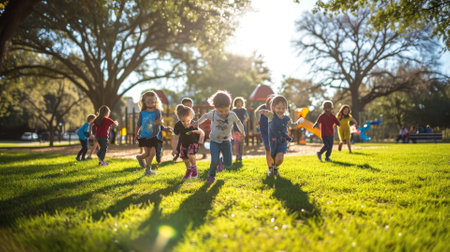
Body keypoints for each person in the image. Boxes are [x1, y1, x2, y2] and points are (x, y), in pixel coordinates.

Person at [195, 90, 245, 184]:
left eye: (226, 110)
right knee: (214, 160)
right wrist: (198, 122)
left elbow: (238, 122)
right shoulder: (213, 113)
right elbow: (205, 116)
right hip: (214, 141)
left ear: (230, 106)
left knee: (228, 163)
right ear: (215, 108)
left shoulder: (232, 115)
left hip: (226, 142)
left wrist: (243, 131)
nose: (223, 113)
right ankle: (211, 175)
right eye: (220, 111)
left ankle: (221, 161)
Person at [258, 95, 299, 176]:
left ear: (286, 108)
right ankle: (272, 169)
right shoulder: (271, 116)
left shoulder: (286, 118)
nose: (281, 110)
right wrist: (263, 111)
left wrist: (299, 122)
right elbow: (268, 113)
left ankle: (275, 168)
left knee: (279, 159)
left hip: (282, 141)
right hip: (272, 141)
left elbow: (292, 125)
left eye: (283, 108)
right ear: (273, 108)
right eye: (278, 108)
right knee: (272, 156)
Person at [172, 104, 205, 180]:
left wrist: (201, 138)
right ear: (179, 119)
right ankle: (188, 170)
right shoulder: (178, 125)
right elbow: (176, 137)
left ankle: (194, 169)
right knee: (185, 158)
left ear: (191, 117)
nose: (186, 123)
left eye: (188, 121)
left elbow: (200, 131)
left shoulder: (193, 123)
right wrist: (174, 149)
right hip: (184, 144)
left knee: (190, 154)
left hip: (193, 143)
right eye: (183, 121)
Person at [135, 91, 163, 176]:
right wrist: (136, 134)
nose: (150, 104)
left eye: (152, 102)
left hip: (154, 136)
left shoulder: (157, 111)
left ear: (156, 101)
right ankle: (141, 158)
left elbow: (161, 121)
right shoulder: (142, 113)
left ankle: (148, 169)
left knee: (152, 153)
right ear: (144, 102)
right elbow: (138, 124)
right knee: (147, 153)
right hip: (144, 136)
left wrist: (159, 122)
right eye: (148, 102)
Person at [255, 95, 275, 175]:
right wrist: (258, 121)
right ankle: (270, 168)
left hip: (274, 132)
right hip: (264, 132)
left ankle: (274, 167)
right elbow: (256, 112)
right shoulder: (262, 107)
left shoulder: (276, 109)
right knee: (267, 149)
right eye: (269, 102)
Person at [173, 97, 194, 161]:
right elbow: (175, 136)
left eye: (190, 106)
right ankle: (177, 153)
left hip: (190, 132)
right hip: (182, 131)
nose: (189, 108)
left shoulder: (191, 113)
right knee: (180, 140)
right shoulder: (180, 115)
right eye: (187, 106)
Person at [232, 97, 249, 162]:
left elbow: (247, 117)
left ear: (242, 103)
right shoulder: (234, 110)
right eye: (237, 102)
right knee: (236, 143)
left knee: (241, 143)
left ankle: (240, 156)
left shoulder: (243, 110)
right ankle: (237, 155)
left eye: (240, 102)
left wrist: (245, 119)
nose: (238, 103)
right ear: (235, 103)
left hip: (242, 129)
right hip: (235, 129)